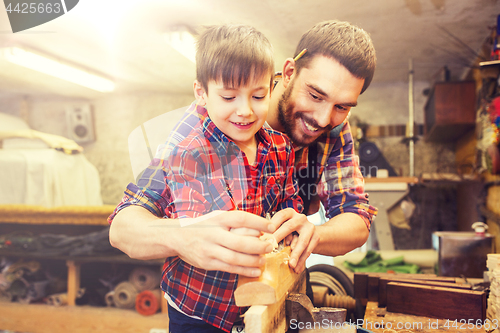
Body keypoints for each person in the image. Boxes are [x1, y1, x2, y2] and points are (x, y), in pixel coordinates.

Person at [109, 18, 377, 324]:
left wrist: (310, 233)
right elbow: (124, 225)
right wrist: (183, 237)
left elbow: (357, 217)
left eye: (342, 106)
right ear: (288, 73)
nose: (323, 118)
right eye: (315, 96)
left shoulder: (330, 128)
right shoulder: (199, 129)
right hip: (205, 310)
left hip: (283, 292)